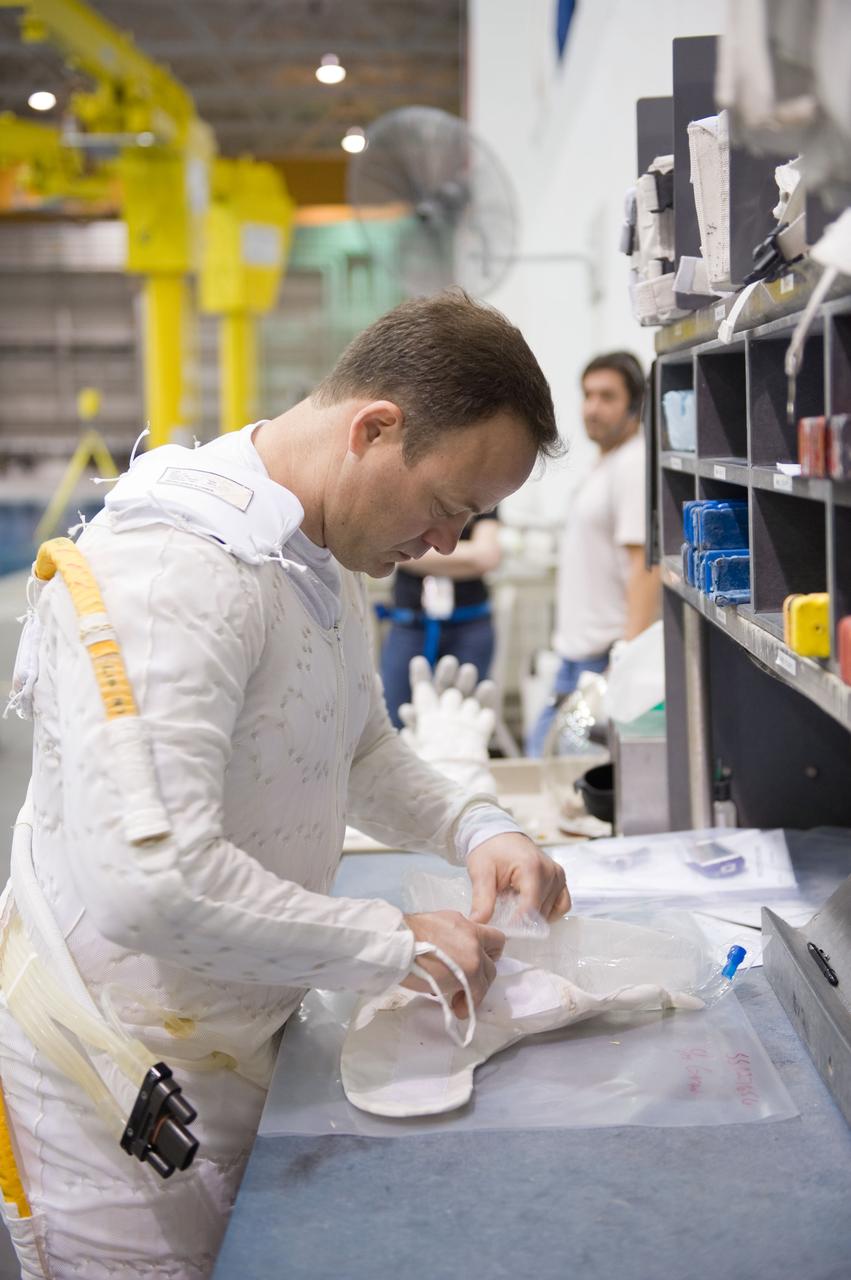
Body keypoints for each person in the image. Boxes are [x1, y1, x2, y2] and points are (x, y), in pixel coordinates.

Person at [0, 290, 570, 1279]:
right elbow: (152, 882)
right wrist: (389, 941)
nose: (442, 543)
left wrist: (476, 827)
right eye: (445, 505)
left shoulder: (309, 550)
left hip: (228, 1039)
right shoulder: (175, 572)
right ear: (374, 427)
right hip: (115, 1077)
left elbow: (352, 747)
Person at [527, 350, 660, 756]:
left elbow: (645, 568)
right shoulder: (605, 465)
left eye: (607, 396)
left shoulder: (633, 464)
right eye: (587, 395)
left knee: (566, 789)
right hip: (575, 662)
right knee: (545, 773)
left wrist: (621, 664)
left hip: (600, 663)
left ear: (635, 404)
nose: (592, 408)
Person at [378, 508, 501, 727]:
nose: (446, 544)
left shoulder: (481, 487)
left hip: (469, 625)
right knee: (396, 718)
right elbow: (387, 546)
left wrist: (414, 552)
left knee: (466, 719)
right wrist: (467, 558)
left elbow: (486, 557)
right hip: (411, 625)